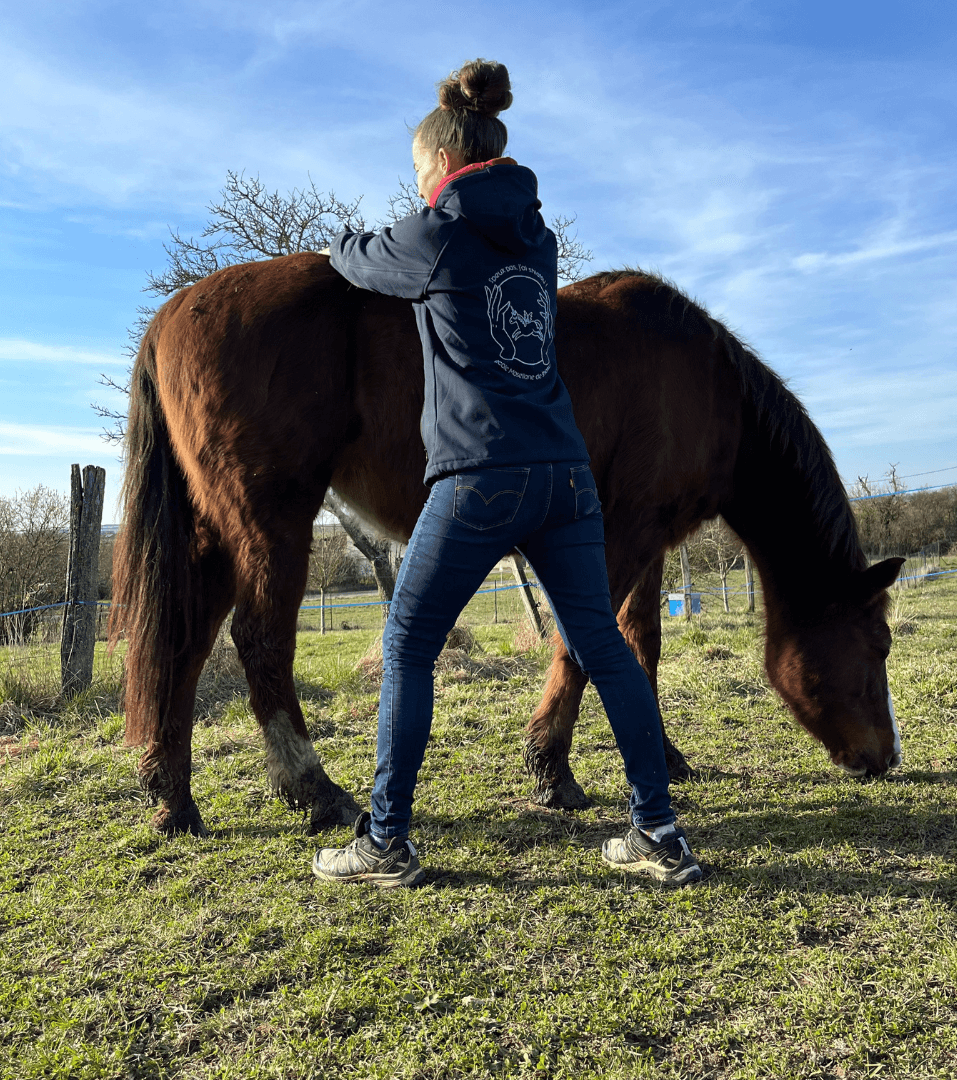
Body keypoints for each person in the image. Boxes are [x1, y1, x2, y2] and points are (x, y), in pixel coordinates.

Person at [313, 59, 703, 888]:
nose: (417, 186)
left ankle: (384, 842)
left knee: (408, 644)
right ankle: (658, 834)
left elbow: (356, 260)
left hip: (478, 475)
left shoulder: (434, 235)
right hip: (565, 475)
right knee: (605, 645)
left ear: (443, 164)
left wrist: (335, 241)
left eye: (419, 172)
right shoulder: (539, 238)